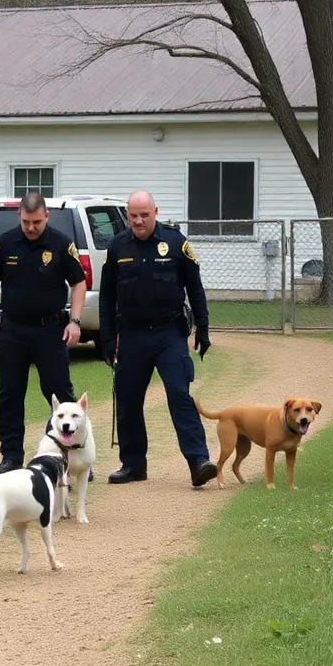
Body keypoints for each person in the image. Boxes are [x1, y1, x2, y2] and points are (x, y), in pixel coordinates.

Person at [98, 190, 218, 487]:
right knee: (127, 400)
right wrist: (106, 339)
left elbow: (196, 288)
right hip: (132, 334)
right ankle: (133, 465)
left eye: (144, 215)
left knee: (179, 394)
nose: (138, 221)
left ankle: (198, 461)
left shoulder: (176, 243)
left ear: (155, 212)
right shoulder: (116, 247)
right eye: (133, 215)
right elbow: (106, 296)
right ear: (127, 215)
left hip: (169, 334)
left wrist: (202, 329)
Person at [0, 191, 86, 473]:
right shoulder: (4, 243)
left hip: (50, 329)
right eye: (26, 221)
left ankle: (72, 456)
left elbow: (79, 284)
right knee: (10, 394)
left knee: (60, 394)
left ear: (46, 216)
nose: (31, 227)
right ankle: (11, 456)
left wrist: (74, 321)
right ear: (19, 217)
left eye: (36, 222)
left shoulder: (61, 244)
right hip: (13, 329)